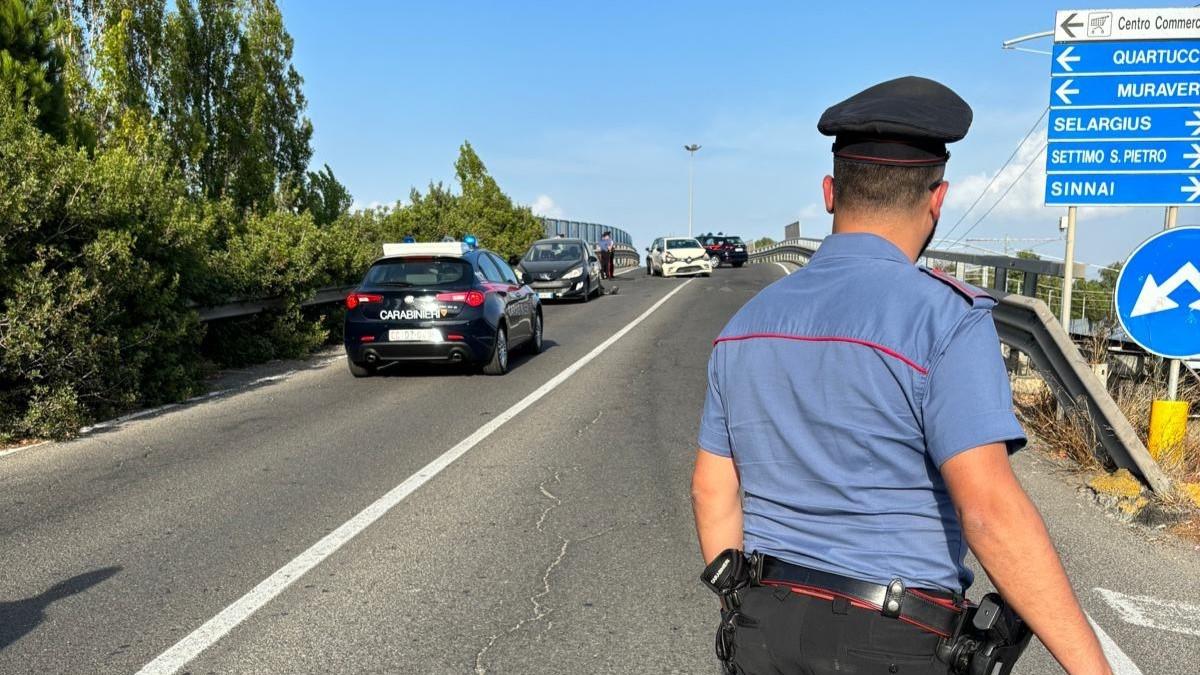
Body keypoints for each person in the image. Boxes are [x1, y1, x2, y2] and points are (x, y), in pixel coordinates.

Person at [691, 76, 1111, 675]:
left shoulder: (744, 325)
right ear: (937, 199)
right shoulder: (946, 320)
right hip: (894, 641)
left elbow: (712, 489)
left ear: (831, 192)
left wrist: (741, 611)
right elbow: (989, 511)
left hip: (764, 627)